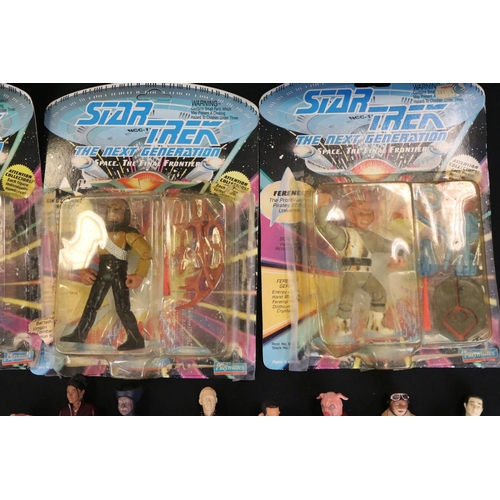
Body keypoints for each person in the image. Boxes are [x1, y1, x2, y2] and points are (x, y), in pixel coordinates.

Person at [60, 199, 152, 351]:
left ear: (126, 214)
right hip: (102, 273)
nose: (112, 212)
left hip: (119, 273)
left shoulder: (128, 233)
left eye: (118, 209)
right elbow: (80, 251)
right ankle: (79, 334)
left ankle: (136, 339)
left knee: (123, 308)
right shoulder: (98, 232)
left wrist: (139, 275)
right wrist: (83, 270)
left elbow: (146, 253)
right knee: (91, 305)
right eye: (110, 208)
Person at [316, 198, 407, 336]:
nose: (365, 218)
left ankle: (374, 325)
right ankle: (342, 327)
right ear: (351, 214)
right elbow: (325, 226)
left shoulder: (371, 237)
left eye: (369, 214)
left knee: (380, 294)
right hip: (351, 272)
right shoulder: (345, 234)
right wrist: (322, 206)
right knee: (346, 299)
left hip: (366, 273)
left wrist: (400, 252)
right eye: (361, 214)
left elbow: (388, 245)